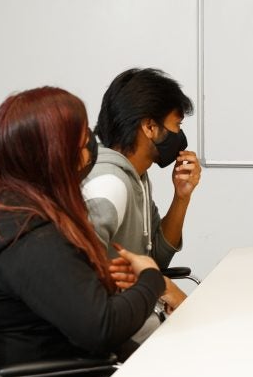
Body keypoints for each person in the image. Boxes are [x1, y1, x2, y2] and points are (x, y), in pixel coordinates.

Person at [0, 87, 180, 377]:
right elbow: (102, 329)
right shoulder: (30, 238)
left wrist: (99, 278)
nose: (91, 150)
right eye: (81, 145)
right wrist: (150, 279)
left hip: (22, 369)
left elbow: (44, 290)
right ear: (54, 157)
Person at [83, 68, 201, 269]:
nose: (180, 136)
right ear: (150, 127)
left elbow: (155, 260)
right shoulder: (108, 185)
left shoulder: (137, 178)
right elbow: (80, 283)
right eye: (177, 125)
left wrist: (181, 197)